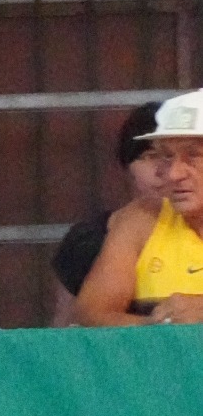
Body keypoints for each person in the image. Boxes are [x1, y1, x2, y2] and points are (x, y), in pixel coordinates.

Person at [77, 87, 203, 326]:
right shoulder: (142, 218)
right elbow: (91, 315)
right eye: (167, 156)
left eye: (193, 156)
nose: (173, 174)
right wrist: (164, 330)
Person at [50, 105, 166, 325]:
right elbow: (65, 327)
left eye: (188, 156)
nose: (166, 170)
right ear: (126, 166)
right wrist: (165, 328)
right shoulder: (89, 240)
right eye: (150, 156)